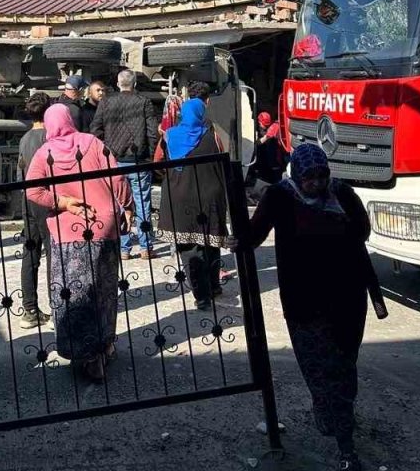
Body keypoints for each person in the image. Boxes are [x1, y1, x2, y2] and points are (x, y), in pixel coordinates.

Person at [247, 143, 375, 471]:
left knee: (345, 362)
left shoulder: (342, 193)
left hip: (347, 297)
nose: (317, 183)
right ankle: (342, 436)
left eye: (323, 175)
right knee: (318, 366)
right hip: (304, 301)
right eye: (310, 177)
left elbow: (363, 230)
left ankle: (340, 419)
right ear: (297, 175)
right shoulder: (279, 196)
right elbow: (254, 235)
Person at [24, 104, 133, 383]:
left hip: (66, 233)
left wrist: (63, 203)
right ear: (70, 121)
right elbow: (117, 176)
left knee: (74, 294)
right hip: (103, 227)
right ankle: (105, 345)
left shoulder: (44, 153)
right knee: (104, 290)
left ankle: (85, 355)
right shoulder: (92, 143)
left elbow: (32, 190)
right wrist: (128, 207)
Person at [155, 98, 231, 311]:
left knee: (188, 250)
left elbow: (158, 164)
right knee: (211, 244)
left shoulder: (169, 137)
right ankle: (214, 287)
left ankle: (202, 295)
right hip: (210, 198)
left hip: (179, 199)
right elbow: (223, 162)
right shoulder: (213, 136)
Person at [90, 70, 159, 260]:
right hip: (138, 161)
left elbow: (95, 130)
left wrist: (107, 150)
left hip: (115, 161)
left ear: (118, 84)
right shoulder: (144, 102)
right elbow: (152, 132)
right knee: (142, 203)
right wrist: (151, 155)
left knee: (120, 204)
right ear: (134, 83)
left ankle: (124, 248)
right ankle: (146, 247)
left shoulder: (106, 102)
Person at [16, 93, 52, 329]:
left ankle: (29, 309)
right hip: (47, 199)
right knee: (54, 254)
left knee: (30, 253)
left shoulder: (25, 138)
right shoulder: (50, 138)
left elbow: (21, 171)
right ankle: (59, 307)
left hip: (27, 199)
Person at [246, 111, 286, 190]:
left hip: (278, 158)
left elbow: (261, 141)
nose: (259, 124)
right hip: (280, 154)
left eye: (260, 123)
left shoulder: (272, 129)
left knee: (277, 177)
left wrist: (250, 143)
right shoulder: (274, 125)